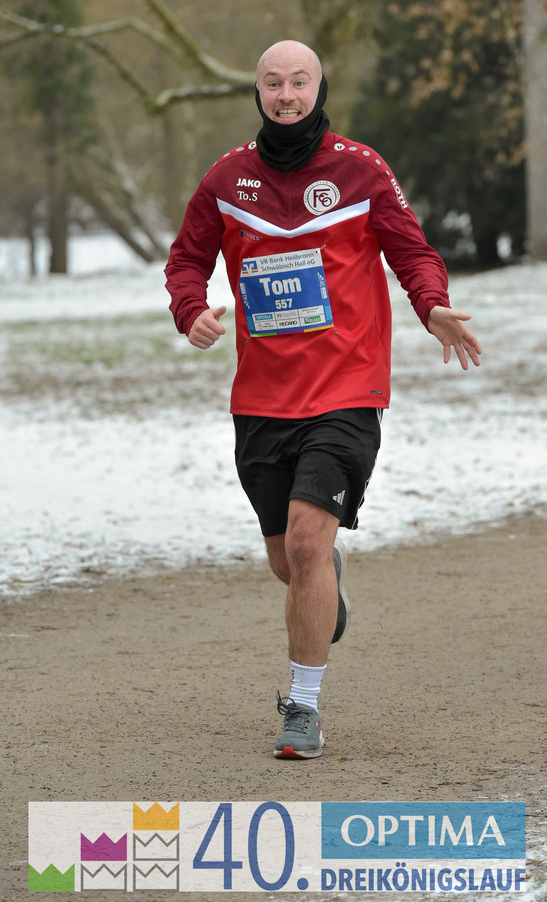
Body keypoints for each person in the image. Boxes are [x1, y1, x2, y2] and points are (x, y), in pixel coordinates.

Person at [165, 40, 481, 760]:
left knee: (307, 540)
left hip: (346, 388)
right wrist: (192, 311)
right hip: (263, 399)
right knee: (290, 560)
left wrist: (432, 306)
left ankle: (302, 708)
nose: (286, 94)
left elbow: (413, 252)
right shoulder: (227, 178)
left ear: (318, 86)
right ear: (257, 91)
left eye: (298, 81)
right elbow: (187, 259)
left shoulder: (360, 169)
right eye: (273, 82)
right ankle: (322, 581)